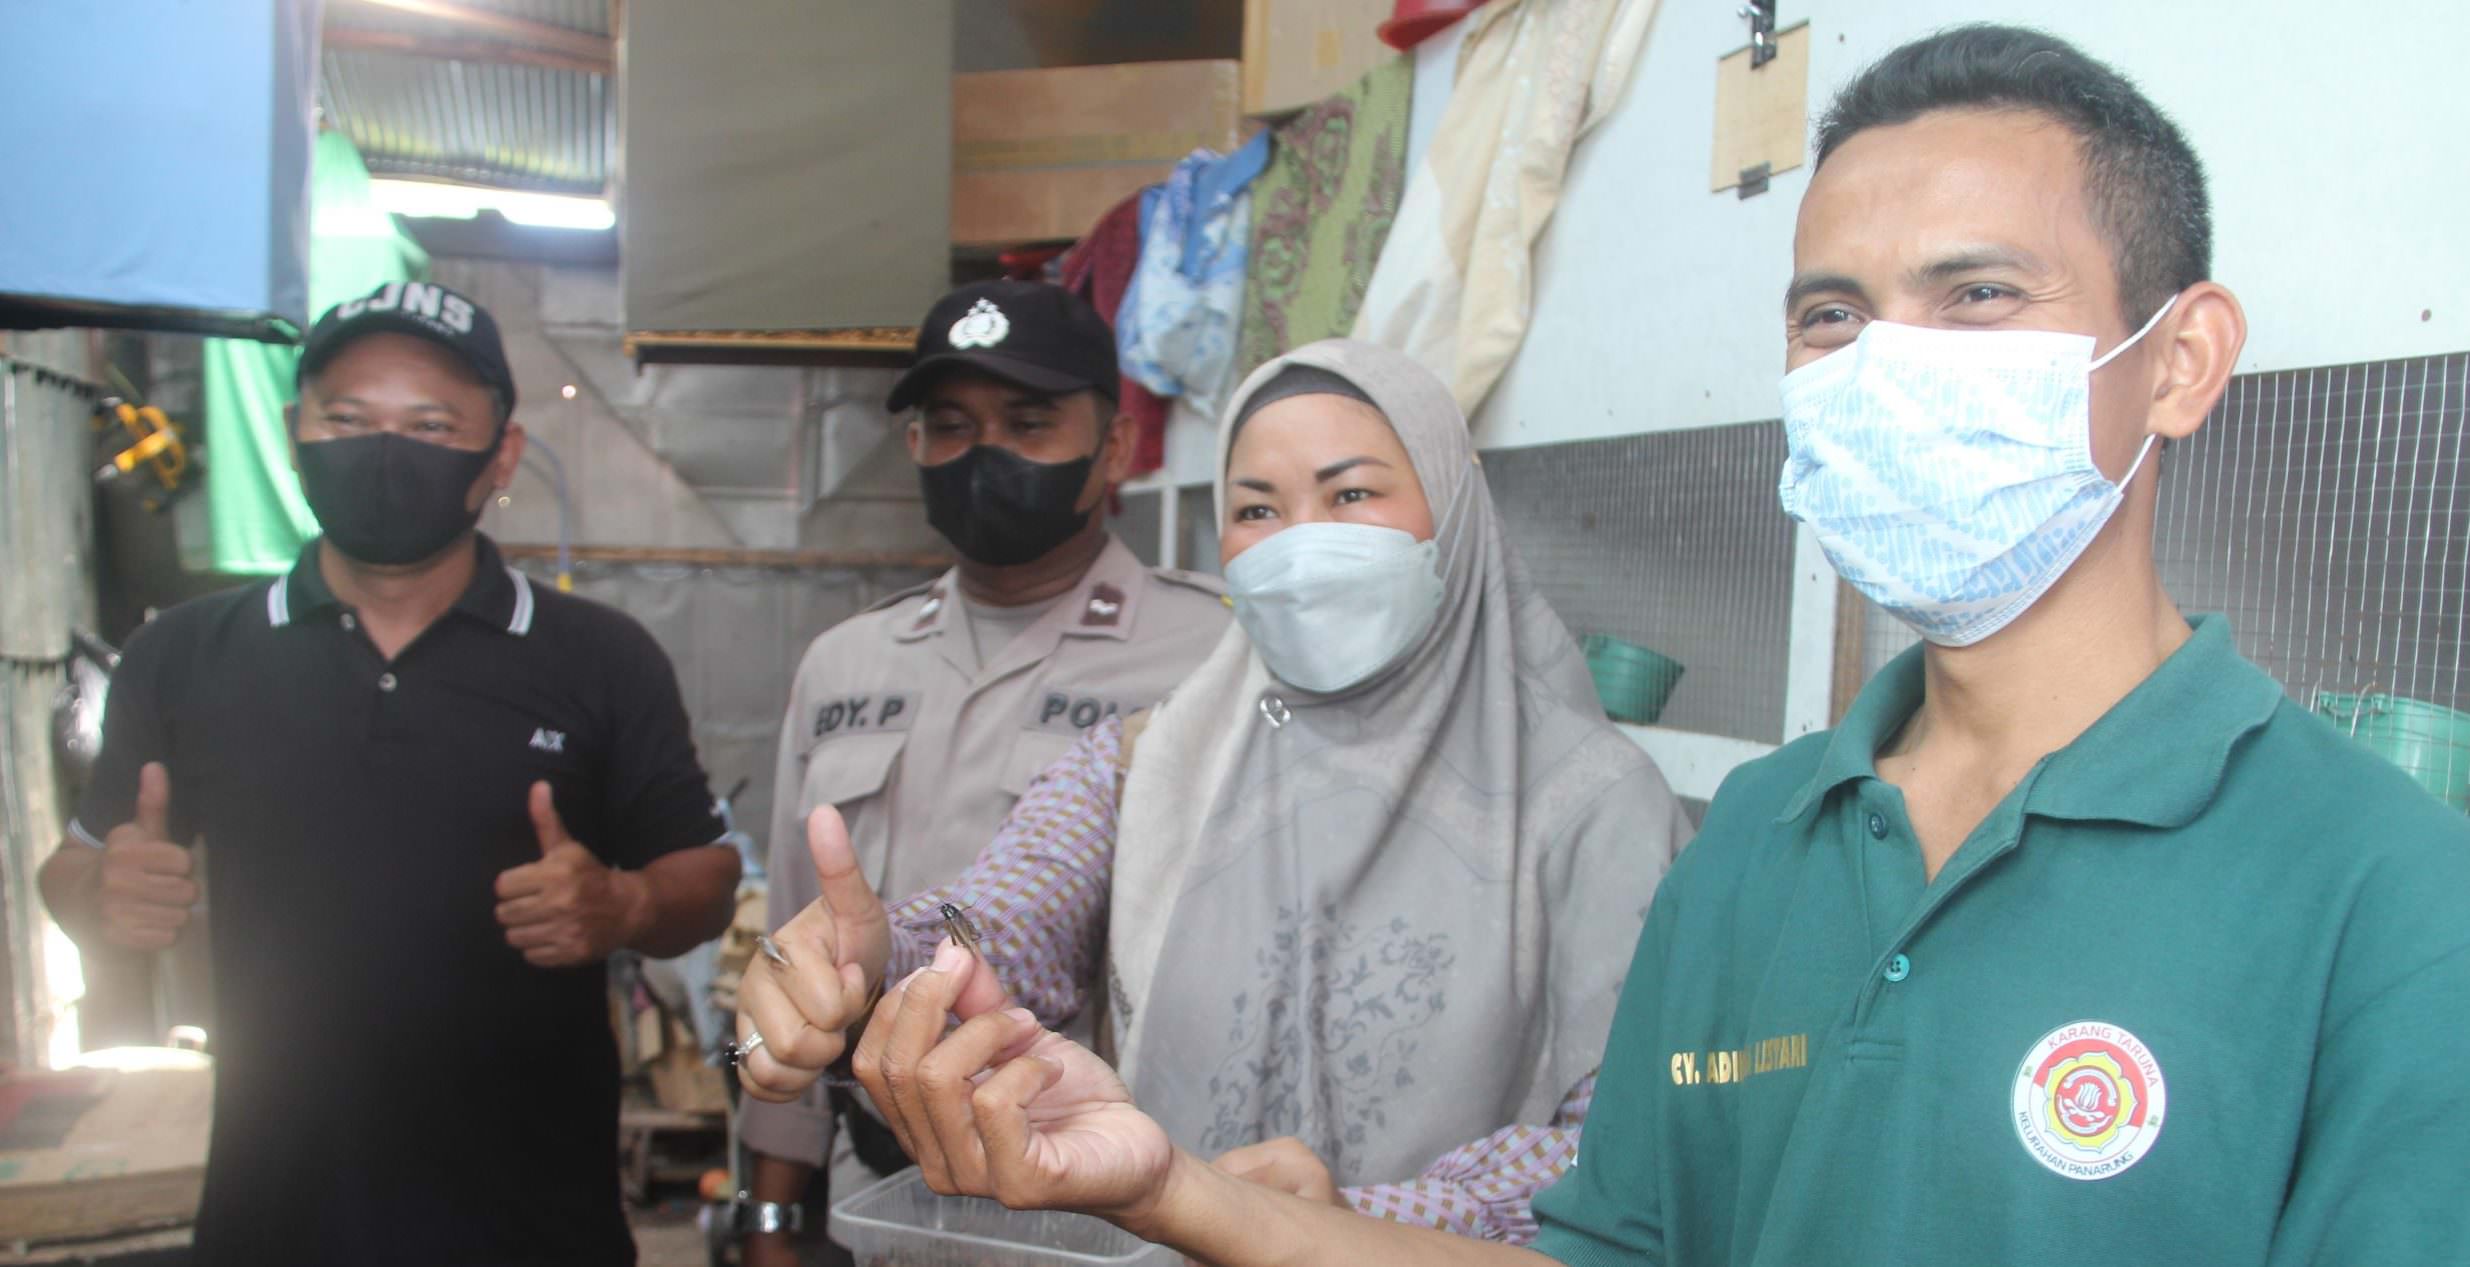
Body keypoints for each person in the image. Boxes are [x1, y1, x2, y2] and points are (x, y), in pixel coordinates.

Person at [783, 25, 2470, 1267]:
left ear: (2180, 364)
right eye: (1831, 314)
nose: (1884, 367)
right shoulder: (1765, 839)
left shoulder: (2382, 888)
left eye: (1976, 297)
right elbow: (1621, 1250)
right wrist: (1176, 1189)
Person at [738, 338, 1690, 1242]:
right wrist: (885, 957)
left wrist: (1356, 1220)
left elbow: (1634, 1143)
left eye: (1351, 492)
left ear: (1455, 509)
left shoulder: (1598, 805)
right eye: (1259, 509)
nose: (1301, 544)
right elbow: (1008, 915)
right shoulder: (1153, 760)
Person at [37, 281, 741, 1267]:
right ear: (294, 431)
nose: (383, 447)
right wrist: (102, 897)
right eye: (348, 417)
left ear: (500, 454)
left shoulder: (599, 657)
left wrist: (622, 907)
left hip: (534, 1227)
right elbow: (68, 870)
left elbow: (704, 880)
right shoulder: (187, 655)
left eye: (429, 423)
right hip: (273, 1220)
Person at [737, 279, 1230, 1264]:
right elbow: (794, 949)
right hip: (880, 1197)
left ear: (1117, 447)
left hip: (1116, 1199)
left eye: (1029, 421)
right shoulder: (847, 661)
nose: (983, 453)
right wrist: (774, 1216)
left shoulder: (1215, 652)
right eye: (949, 426)